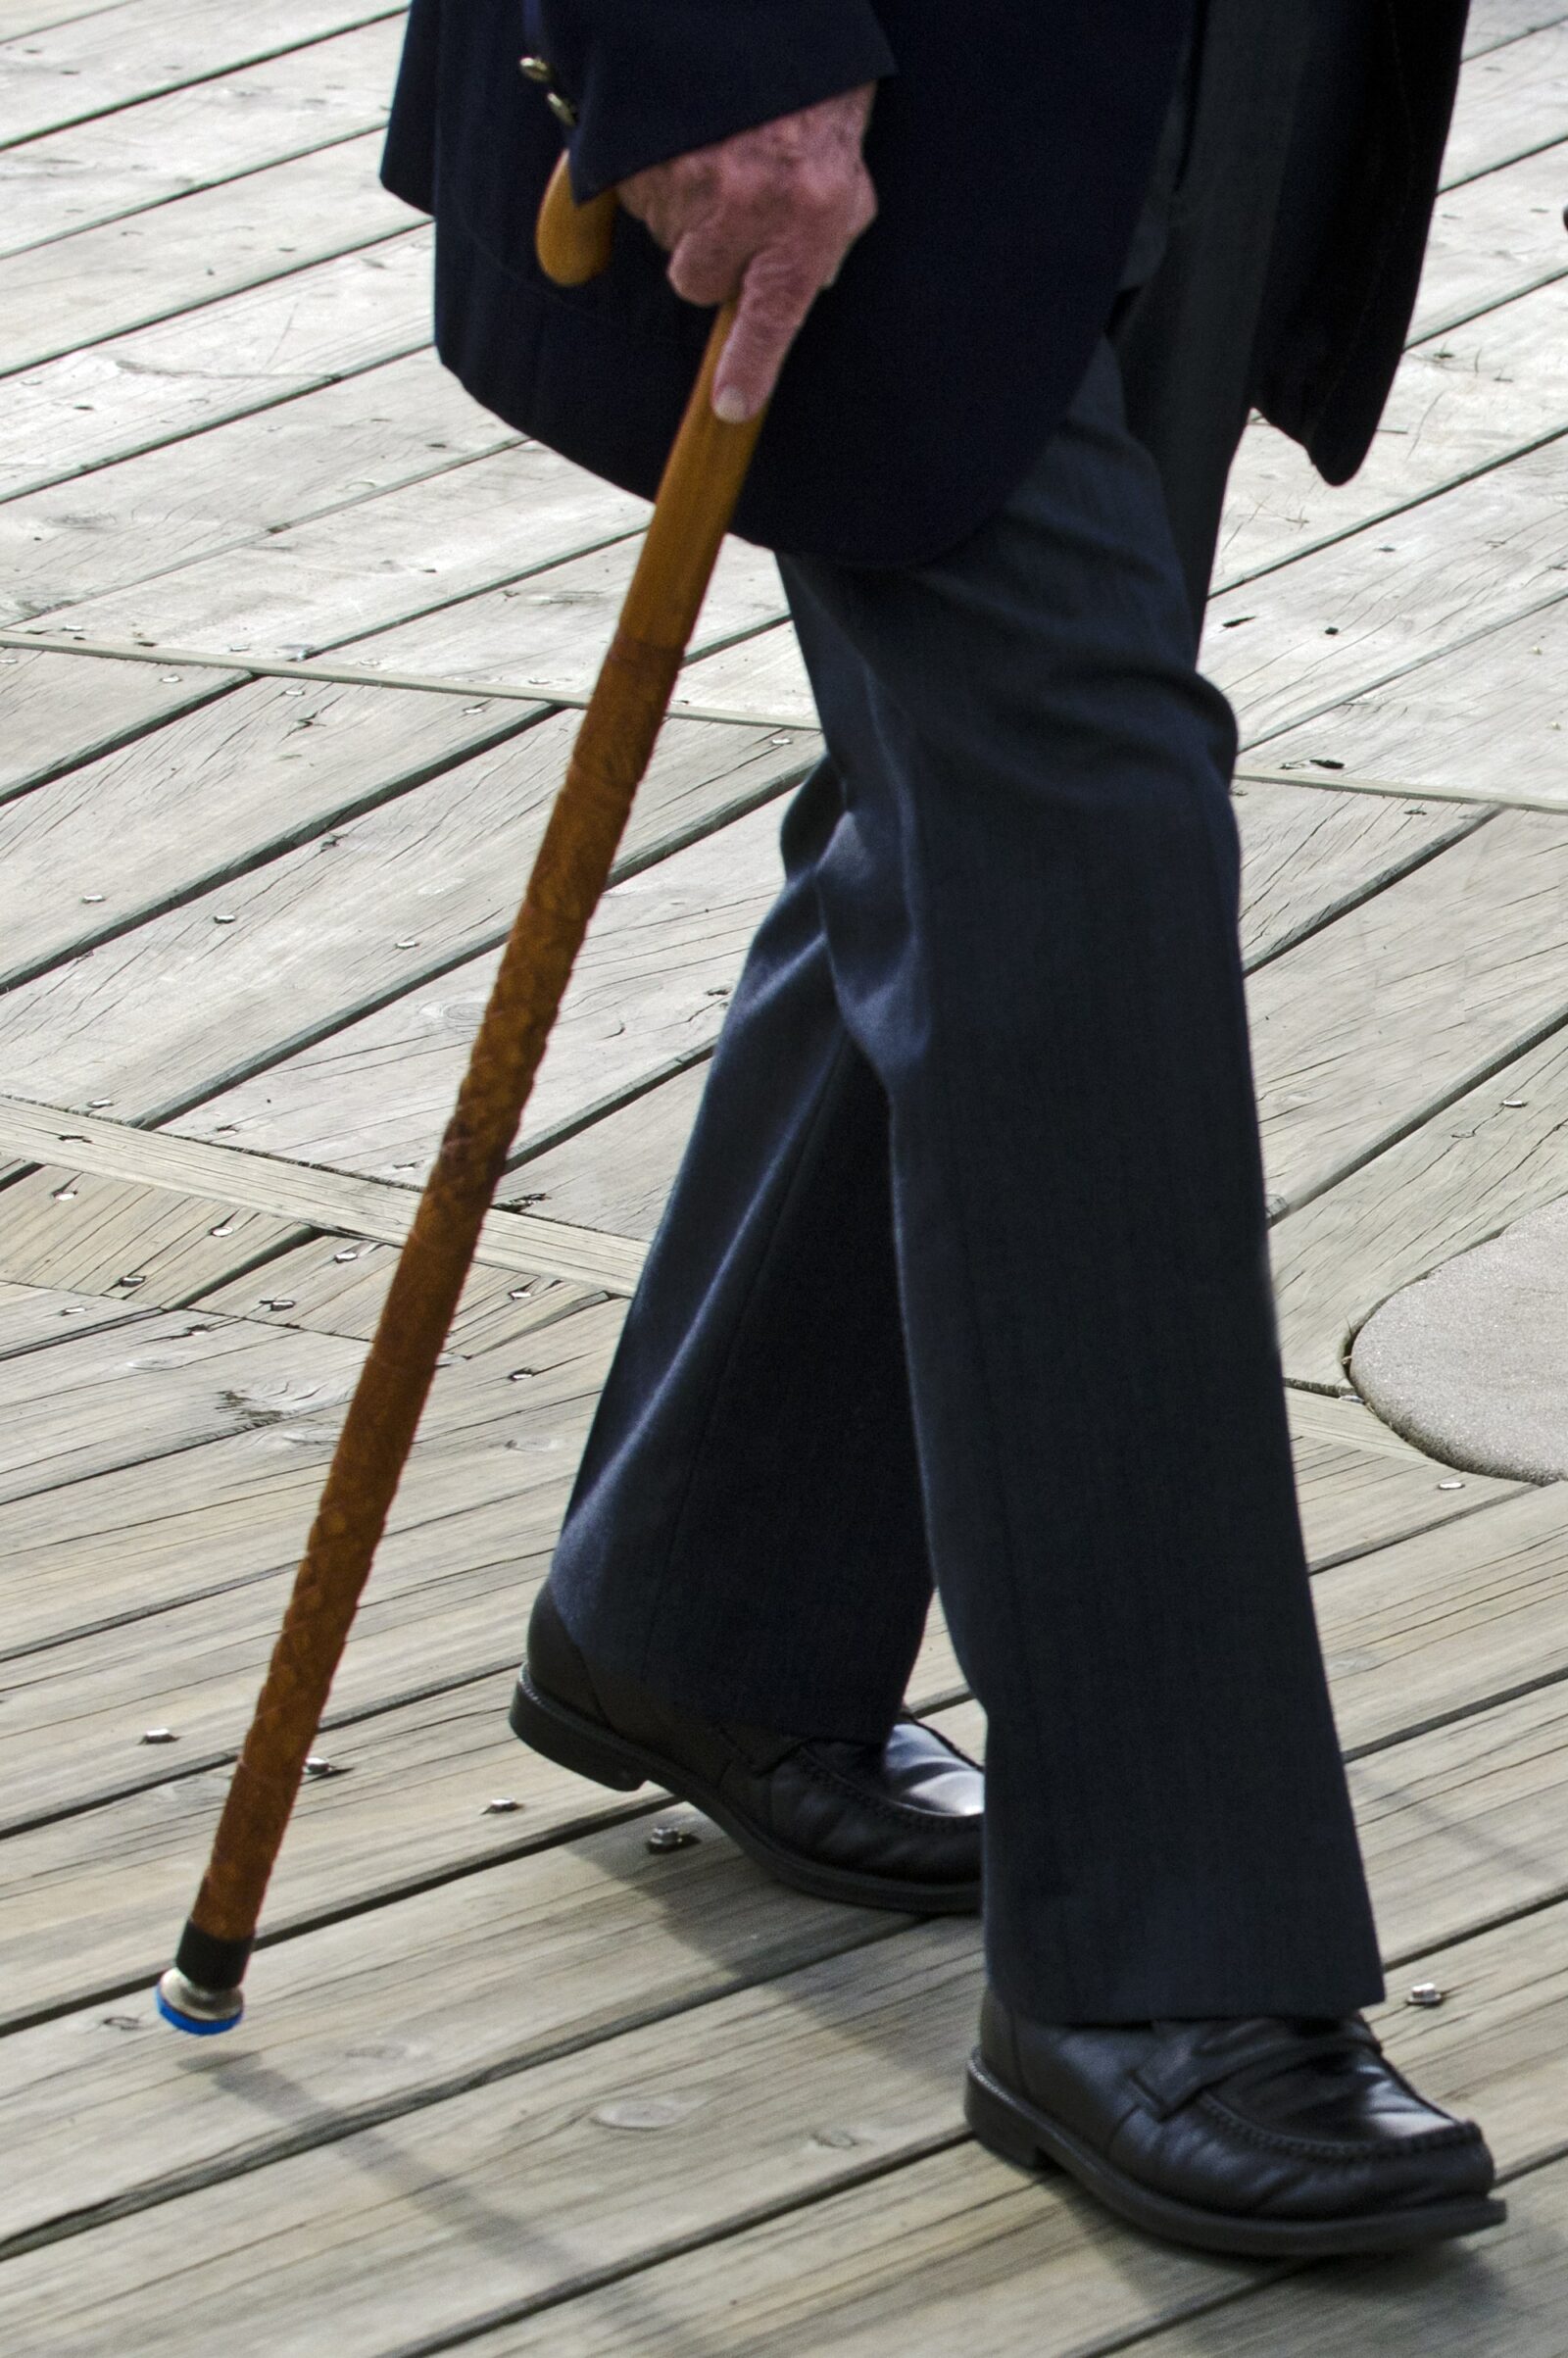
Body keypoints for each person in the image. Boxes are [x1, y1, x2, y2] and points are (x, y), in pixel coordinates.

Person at [382, 0, 1504, 2258]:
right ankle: (1169, 1963)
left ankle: (712, 1603)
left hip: (1211, 59)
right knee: (1078, 827)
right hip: (881, 60)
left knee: (1000, 806)